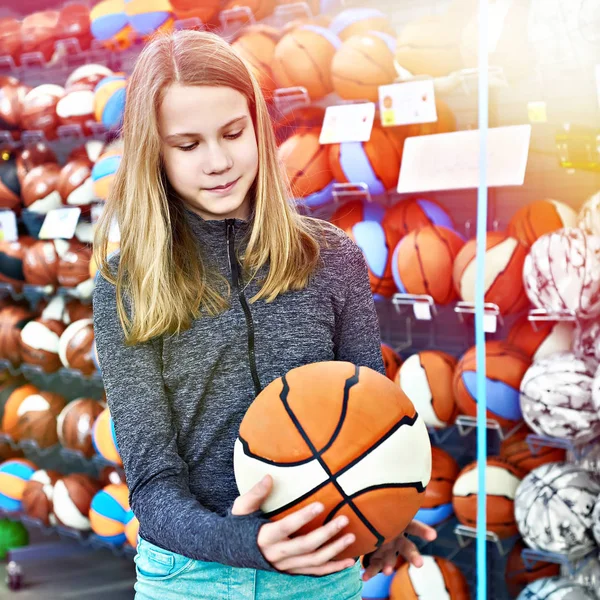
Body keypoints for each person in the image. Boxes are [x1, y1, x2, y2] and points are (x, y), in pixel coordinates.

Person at [92, 29, 436, 600]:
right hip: (190, 579)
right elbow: (153, 487)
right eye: (187, 144)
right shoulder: (126, 282)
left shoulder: (333, 259)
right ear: (152, 150)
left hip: (321, 575)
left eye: (233, 133)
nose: (219, 161)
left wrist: (380, 512)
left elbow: (372, 426)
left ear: (258, 125)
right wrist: (251, 543)